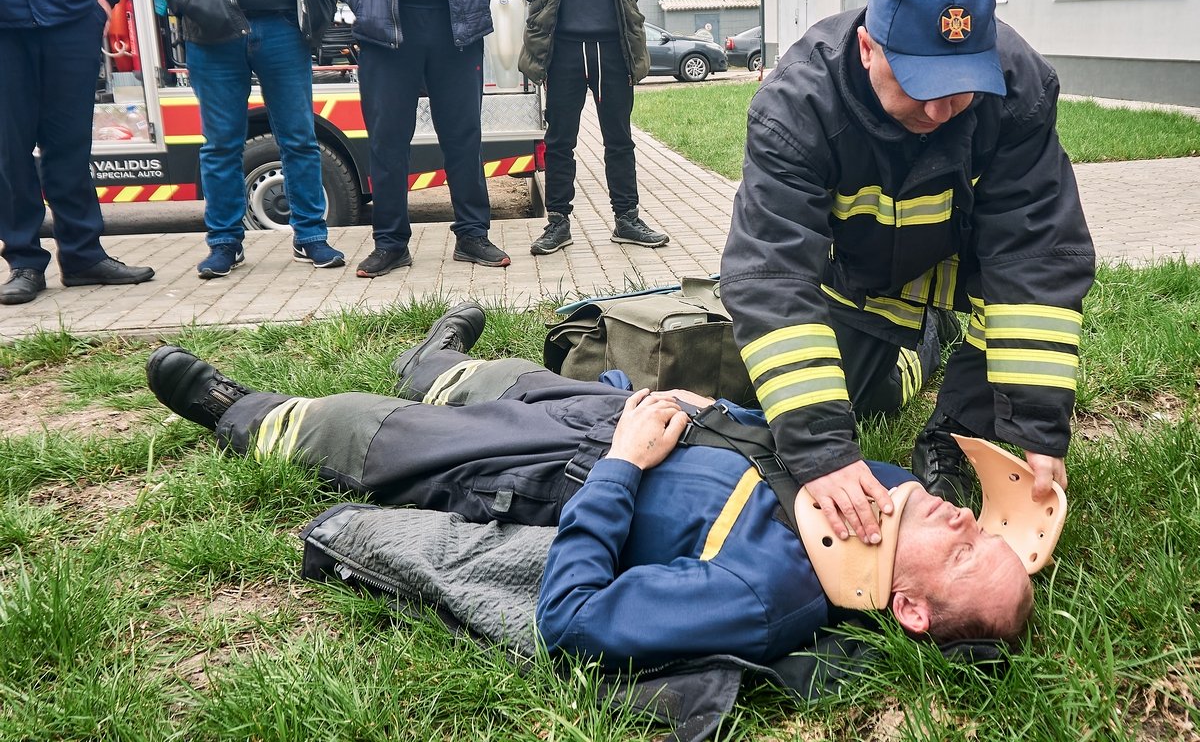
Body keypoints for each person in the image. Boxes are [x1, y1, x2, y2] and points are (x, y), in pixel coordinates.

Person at [145, 302, 1034, 668]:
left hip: (558, 475)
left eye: (963, 551)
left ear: (909, 609)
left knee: (366, 431)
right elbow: (782, 447)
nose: (964, 519)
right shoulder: (884, 495)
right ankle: (433, 359)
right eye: (980, 530)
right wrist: (705, 407)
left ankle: (243, 412)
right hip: (637, 416)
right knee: (503, 378)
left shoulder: (763, 597)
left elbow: (570, 618)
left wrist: (623, 467)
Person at [720, 0, 1096, 546]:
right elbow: (771, 274)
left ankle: (953, 431)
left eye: (960, 88)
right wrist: (822, 451)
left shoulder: (1016, 87)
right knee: (857, 396)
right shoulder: (797, 107)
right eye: (920, 84)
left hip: (972, 262)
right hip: (868, 273)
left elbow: (1035, 254)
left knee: (1013, 316)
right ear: (868, 48)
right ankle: (925, 342)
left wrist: (1034, 421)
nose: (939, 110)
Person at [138, 0, 344, 279]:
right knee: (221, 144)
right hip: (211, 27)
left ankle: (310, 237)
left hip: (285, 24)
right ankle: (225, 242)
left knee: (299, 138)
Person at [316, 0, 512, 275]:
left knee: (463, 135)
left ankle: (473, 234)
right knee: (387, 139)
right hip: (384, 24)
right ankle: (390, 243)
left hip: (455, 21)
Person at [0, 0, 155, 306]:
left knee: (70, 143)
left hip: (70, 17)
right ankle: (24, 262)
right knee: (9, 149)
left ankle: (83, 256)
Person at [513, 0, 670, 256]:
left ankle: (627, 219)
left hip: (613, 42)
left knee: (619, 138)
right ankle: (557, 222)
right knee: (559, 139)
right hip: (562, 44)